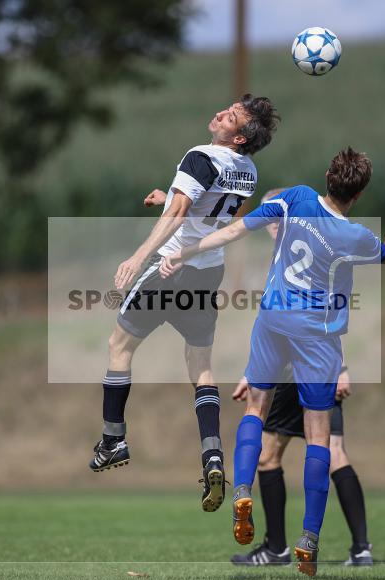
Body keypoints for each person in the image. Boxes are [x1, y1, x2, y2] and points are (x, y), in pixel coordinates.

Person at [159, 148, 385, 576]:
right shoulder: (354, 235)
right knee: (319, 436)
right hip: (317, 338)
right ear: (359, 193)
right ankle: (309, 537)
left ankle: (243, 489)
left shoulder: (296, 197)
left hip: (272, 320)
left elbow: (235, 232)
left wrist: (187, 250)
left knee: (256, 409)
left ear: (327, 176)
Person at [89, 95, 280, 517]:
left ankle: (113, 438)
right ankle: (212, 455)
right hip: (206, 270)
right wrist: (171, 198)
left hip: (169, 267)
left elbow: (180, 214)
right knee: (201, 366)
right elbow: (214, 209)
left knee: (119, 347)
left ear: (239, 136)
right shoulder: (248, 169)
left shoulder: (201, 155)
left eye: (231, 116)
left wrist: (139, 257)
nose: (219, 113)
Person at [230, 366, 374, 567]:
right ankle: (361, 549)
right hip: (322, 368)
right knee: (334, 452)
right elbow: (329, 332)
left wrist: (253, 374)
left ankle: (276, 549)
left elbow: (273, 337)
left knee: (268, 456)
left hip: (291, 372)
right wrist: (341, 368)